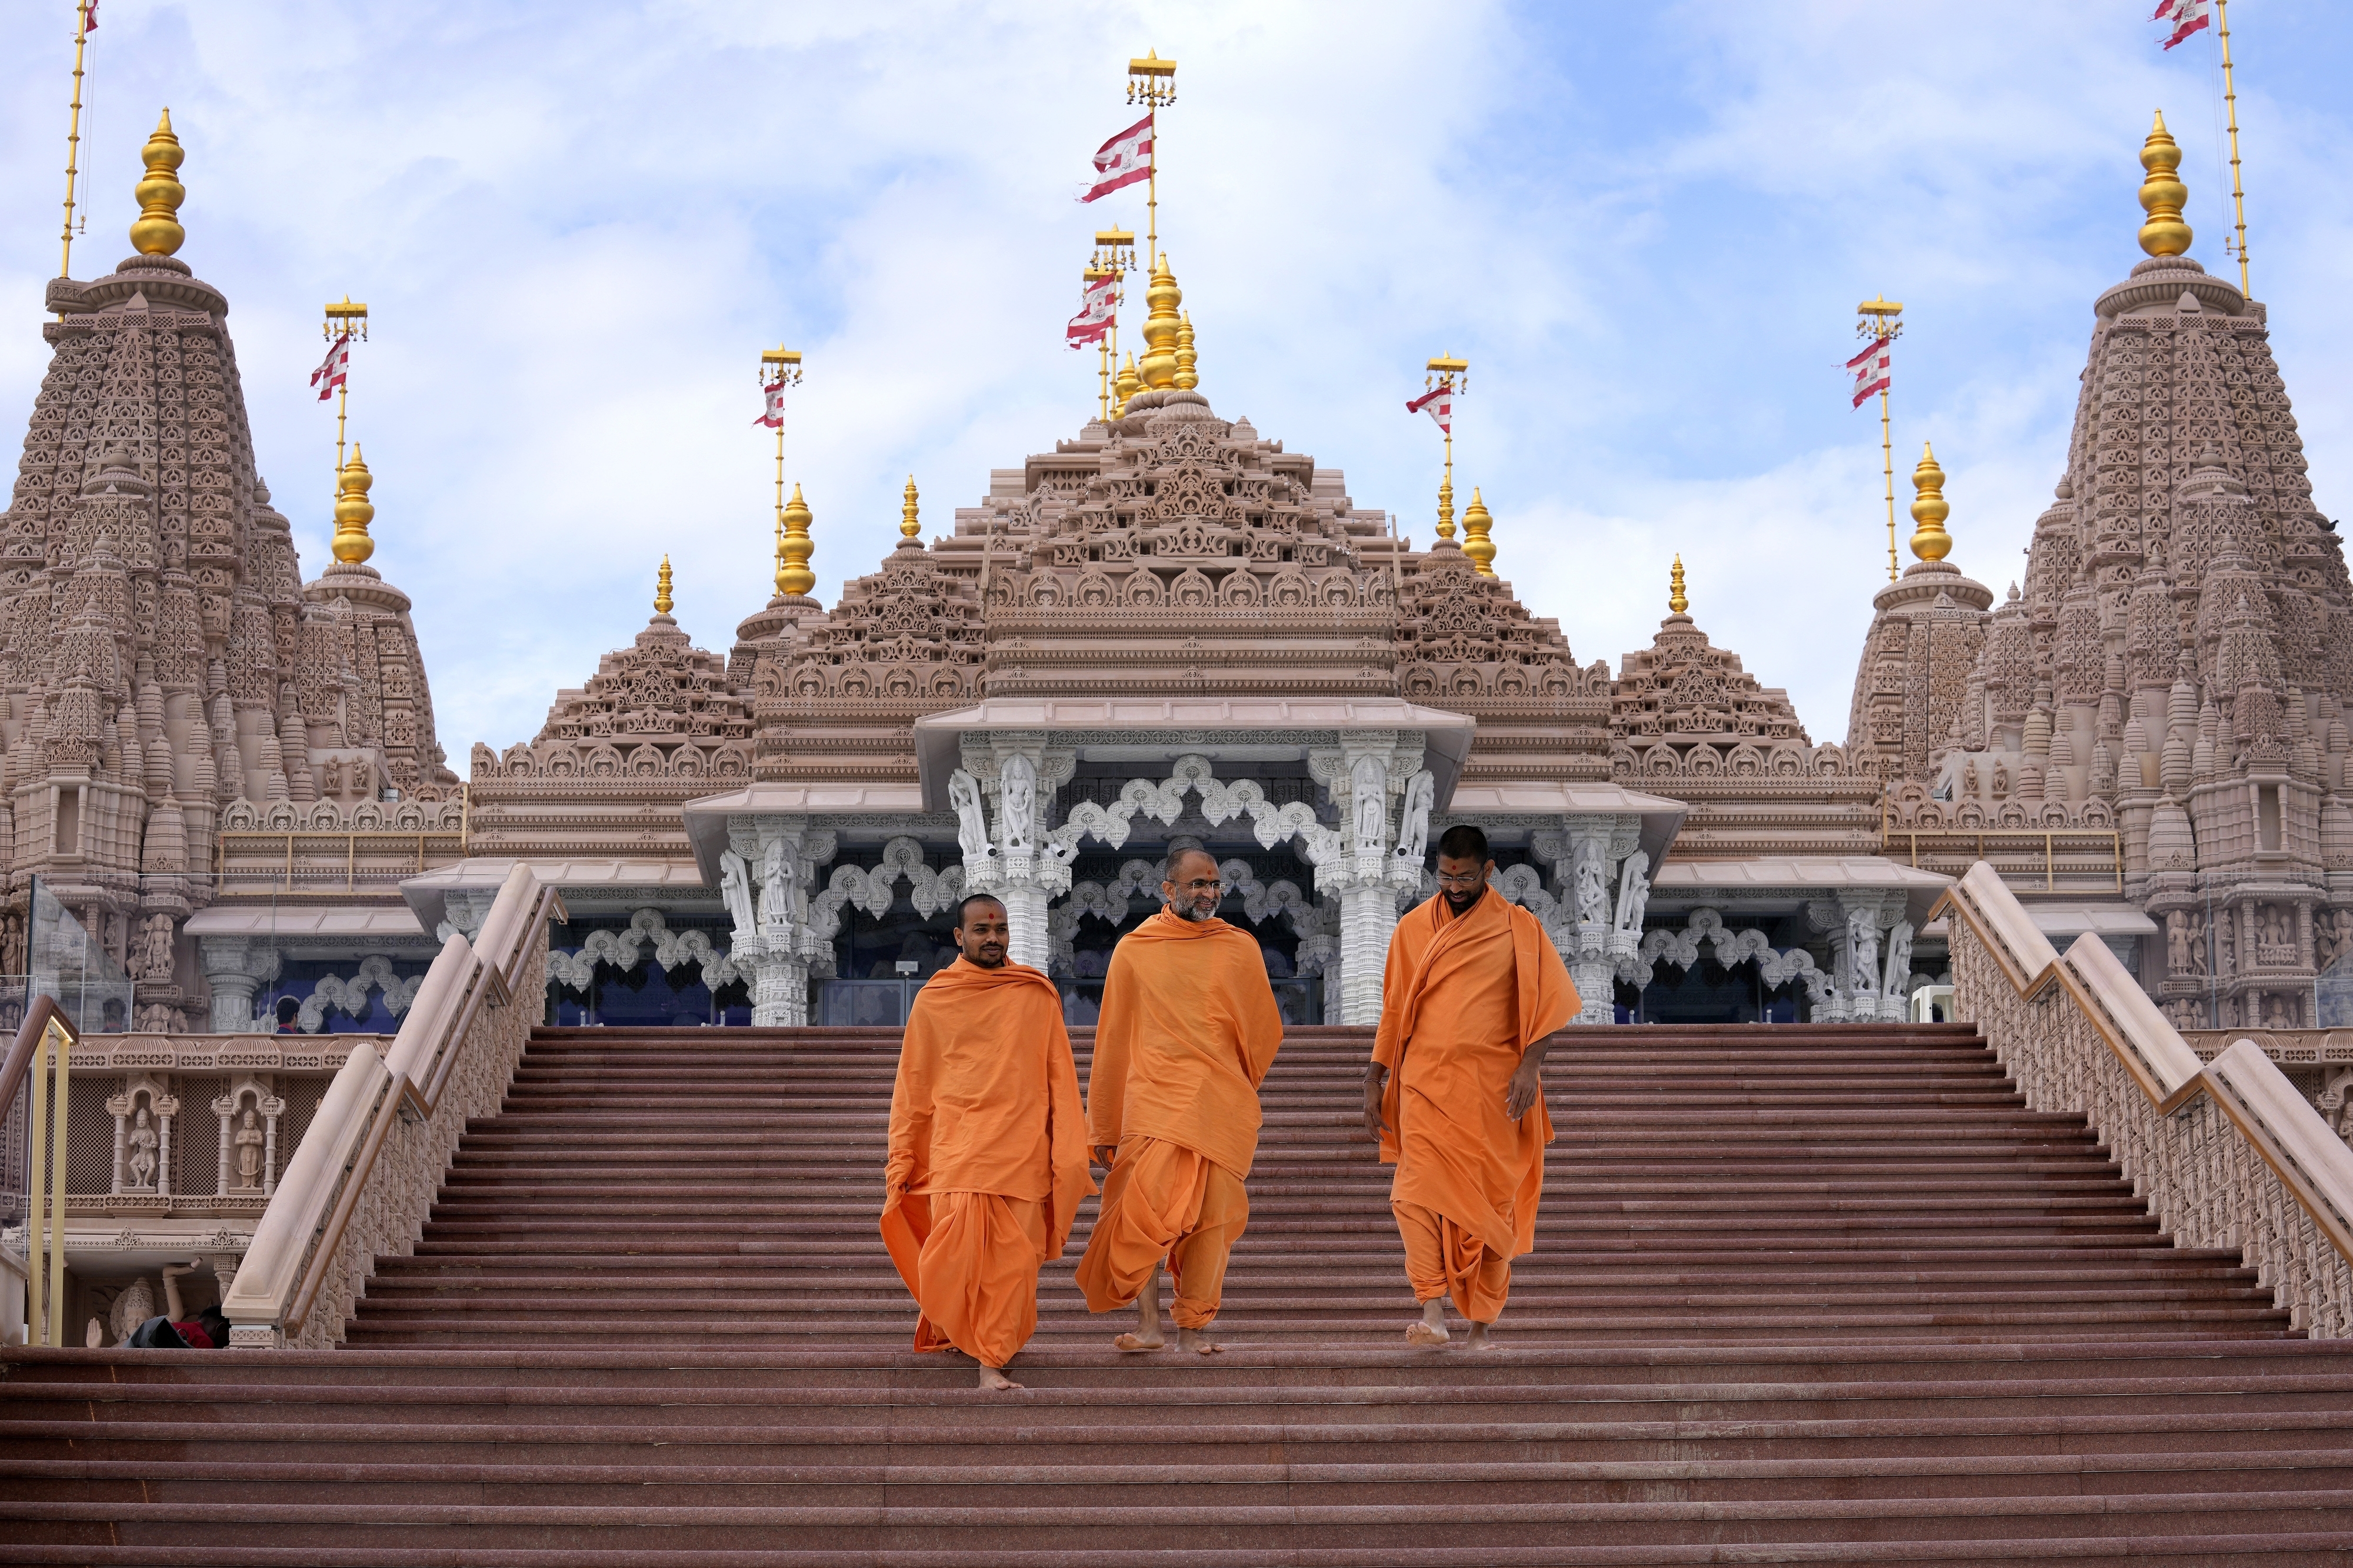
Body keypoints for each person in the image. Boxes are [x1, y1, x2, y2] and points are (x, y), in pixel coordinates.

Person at [1364, 823, 1577, 1349]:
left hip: (1494, 1090)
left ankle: (1481, 1326)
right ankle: (1431, 1311)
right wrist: (1375, 1075)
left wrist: (1530, 1067)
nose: (1453, 886)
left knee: (1492, 1209)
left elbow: (1552, 1005)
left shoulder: (1519, 929)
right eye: (1444, 876)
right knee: (1412, 1195)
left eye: (1464, 877)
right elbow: (1394, 1009)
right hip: (1424, 1085)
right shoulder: (1413, 928)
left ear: (1488, 871)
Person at [1075, 842, 1284, 1355]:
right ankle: (1149, 1326)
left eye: (1216, 884)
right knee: (1140, 1218)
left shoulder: (1240, 947)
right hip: (1153, 1104)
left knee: (1213, 1222)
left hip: (1218, 1104)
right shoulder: (1135, 949)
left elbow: (1264, 1029)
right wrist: (1103, 1125)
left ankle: (1192, 1329)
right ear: (1168, 889)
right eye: (1198, 884)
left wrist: (1232, 1082)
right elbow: (1114, 1035)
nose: (1210, 893)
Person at [881, 894, 1092, 1392]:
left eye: (999, 930)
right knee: (953, 1260)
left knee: (1011, 1267)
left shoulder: (1034, 995)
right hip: (958, 1150)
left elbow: (1059, 1077)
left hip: (1019, 1152)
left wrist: (1067, 1148)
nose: (992, 938)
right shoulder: (935, 998)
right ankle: (965, 1332)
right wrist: (903, 1154)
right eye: (981, 930)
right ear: (960, 937)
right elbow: (914, 1084)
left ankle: (992, 1361)